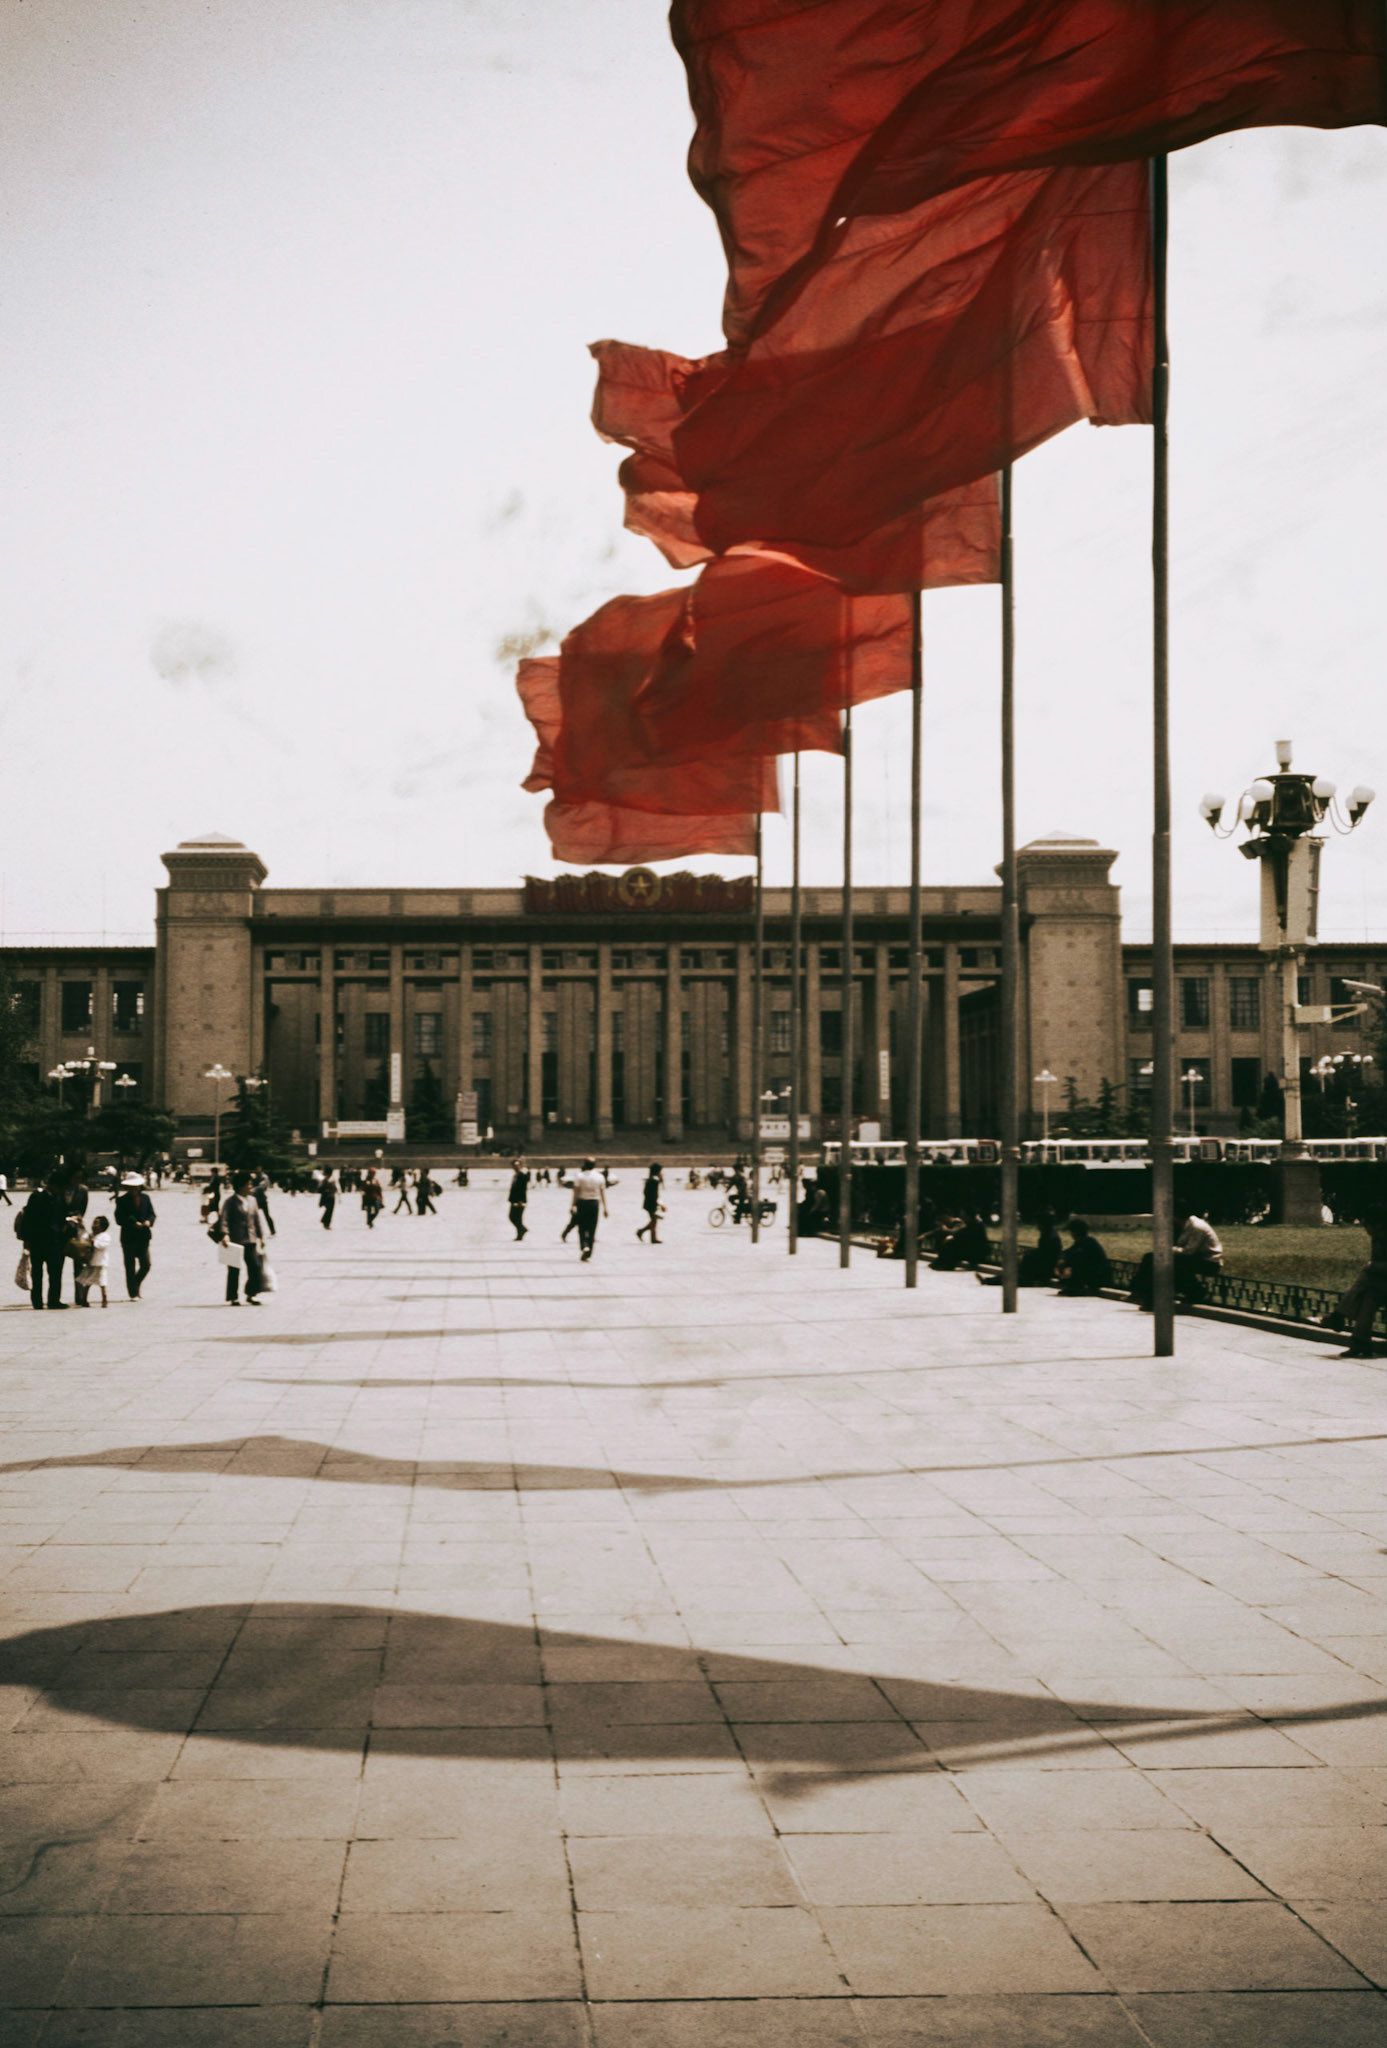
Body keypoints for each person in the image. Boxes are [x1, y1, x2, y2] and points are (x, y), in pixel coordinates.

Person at [1335, 1210, 1387, 1359]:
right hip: (1380, 1286)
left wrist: (1372, 1267)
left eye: (1366, 1225)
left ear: (1378, 1225)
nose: (1365, 1229)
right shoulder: (1377, 1237)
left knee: (1366, 1275)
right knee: (1368, 1300)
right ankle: (1360, 1343)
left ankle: (1339, 1314)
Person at [17, 1174, 71, 1309]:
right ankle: (37, 1301)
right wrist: (26, 1240)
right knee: (37, 1273)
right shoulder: (37, 1197)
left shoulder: (59, 1198)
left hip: (55, 1241)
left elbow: (63, 1216)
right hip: (38, 1241)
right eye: (62, 1188)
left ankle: (54, 1300)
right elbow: (28, 1219)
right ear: (53, 1186)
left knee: (55, 1272)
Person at [217, 1171, 268, 1304]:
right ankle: (233, 1296)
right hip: (235, 1239)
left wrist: (261, 1237)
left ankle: (251, 1293)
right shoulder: (230, 1201)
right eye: (248, 1184)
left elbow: (257, 1219)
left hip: (250, 1239)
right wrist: (225, 1234)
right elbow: (224, 1219)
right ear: (240, 1186)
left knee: (255, 1266)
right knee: (234, 1269)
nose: (251, 1186)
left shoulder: (252, 1200)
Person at [114, 1173, 156, 1298]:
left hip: (143, 1236)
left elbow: (152, 1214)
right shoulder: (121, 1200)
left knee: (146, 1265)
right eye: (131, 1187)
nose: (134, 1189)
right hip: (129, 1238)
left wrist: (149, 1221)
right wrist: (132, 1223)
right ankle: (133, 1293)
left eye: (136, 1186)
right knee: (130, 1266)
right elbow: (119, 1219)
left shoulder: (146, 1198)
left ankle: (135, 1284)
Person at [1175, 1211, 1223, 1305]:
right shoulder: (1184, 1225)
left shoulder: (1197, 1227)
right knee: (1151, 1258)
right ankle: (1144, 1290)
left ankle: (1197, 1292)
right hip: (1196, 1258)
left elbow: (1188, 1251)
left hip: (1210, 1262)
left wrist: (1170, 1250)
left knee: (1176, 1264)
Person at [1055, 1218, 1112, 1297]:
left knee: (1076, 1264)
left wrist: (1065, 1261)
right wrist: (1061, 1259)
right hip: (1093, 1272)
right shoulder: (1080, 1242)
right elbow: (1067, 1252)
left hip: (1099, 1275)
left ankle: (1077, 1287)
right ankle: (1073, 1286)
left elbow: (1077, 1256)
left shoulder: (1089, 1242)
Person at [569, 1157, 607, 1261]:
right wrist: (605, 1208)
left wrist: (572, 1205)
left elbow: (575, 1193)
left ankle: (584, 1245)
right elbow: (603, 1193)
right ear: (594, 1165)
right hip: (594, 1203)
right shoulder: (600, 1177)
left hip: (582, 1203)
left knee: (581, 1227)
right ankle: (589, 1252)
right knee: (592, 1228)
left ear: (585, 1164)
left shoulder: (579, 1176)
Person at [1019, 1211, 1065, 1288]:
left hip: (1047, 1266)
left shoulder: (1050, 1236)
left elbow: (1045, 1254)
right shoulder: (1047, 1234)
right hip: (1045, 1263)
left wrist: (1030, 1254)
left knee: (1027, 1258)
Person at [79, 1215, 112, 1307]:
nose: (94, 1225)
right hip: (91, 1263)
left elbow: (101, 1245)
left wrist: (93, 1242)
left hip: (100, 1263)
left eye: (96, 1223)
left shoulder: (105, 1236)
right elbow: (84, 1239)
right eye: (94, 1223)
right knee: (87, 1282)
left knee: (102, 1282)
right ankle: (84, 1300)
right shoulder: (91, 1235)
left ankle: (104, 1299)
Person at [637, 1163, 664, 1244]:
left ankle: (648, 1235)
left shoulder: (650, 1180)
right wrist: (658, 1204)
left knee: (654, 1220)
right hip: (651, 1204)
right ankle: (646, 1234)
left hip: (649, 1203)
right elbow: (654, 1194)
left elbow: (645, 1192)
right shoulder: (654, 1181)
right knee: (654, 1220)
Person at [508, 1160, 530, 1240]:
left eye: (517, 1165)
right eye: (514, 1165)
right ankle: (521, 1231)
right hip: (514, 1200)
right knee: (513, 1217)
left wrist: (521, 1200)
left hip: (519, 1201)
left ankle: (521, 1232)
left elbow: (523, 1189)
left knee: (516, 1218)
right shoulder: (516, 1175)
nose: (516, 1166)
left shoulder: (522, 1176)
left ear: (520, 1166)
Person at [252, 1170, 276, 1238]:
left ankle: (273, 1231)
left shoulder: (264, 1177)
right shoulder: (254, 1176)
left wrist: (252, 1190)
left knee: (267, 1216)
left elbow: (263, 1187)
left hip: (262, 1199)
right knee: (253, 1216)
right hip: (254, 1200)